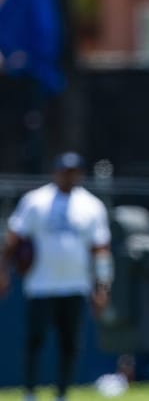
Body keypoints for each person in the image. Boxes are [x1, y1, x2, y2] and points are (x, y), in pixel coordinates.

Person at [0, 151, 114, 401]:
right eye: (65, 171)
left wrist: (102, 287)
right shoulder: (35, 201)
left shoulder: (91, 206)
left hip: (75, 285)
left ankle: (62, 394)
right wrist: (3, 271)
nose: (69, 176)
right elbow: (12, 239)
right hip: (41, 284)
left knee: (70, 344)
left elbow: (101, 250)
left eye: (74, 172)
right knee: (34, 340)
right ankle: (29, 392)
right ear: (56, 172)